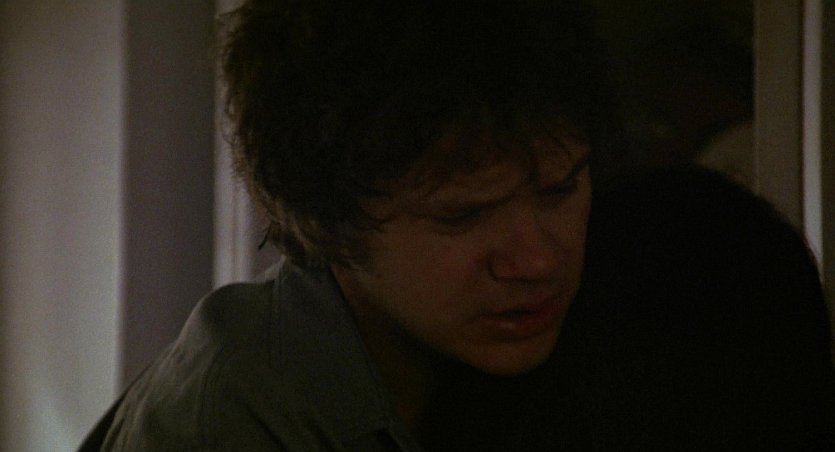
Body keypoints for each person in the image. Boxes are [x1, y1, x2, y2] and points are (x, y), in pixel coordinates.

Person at [80, 0, 834, 450]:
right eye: (462, 215)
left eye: (559, 188)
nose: (535, 260)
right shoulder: (233, 421)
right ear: (330, 223)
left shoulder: (593, 319)